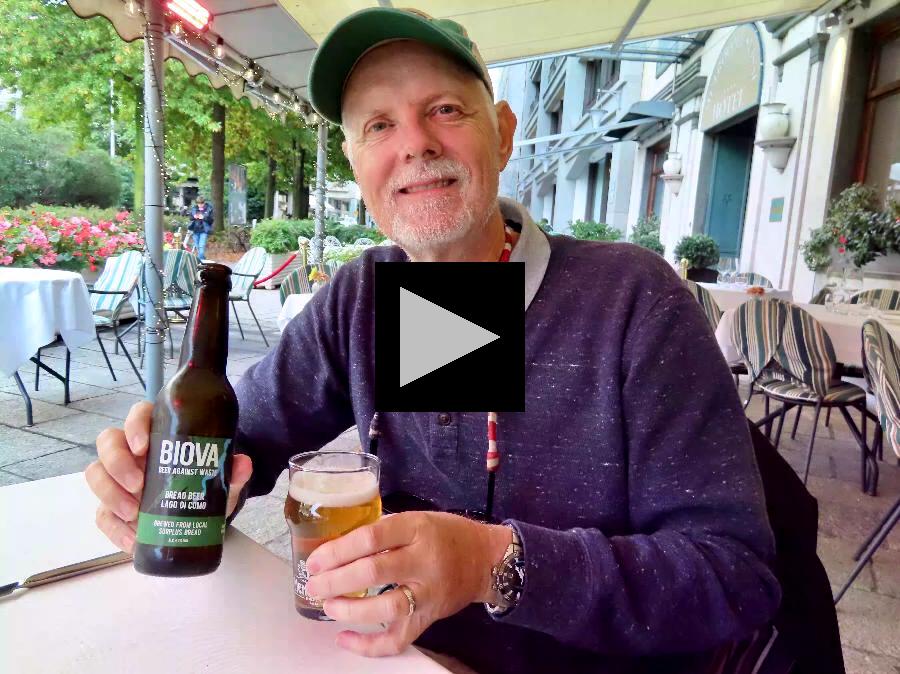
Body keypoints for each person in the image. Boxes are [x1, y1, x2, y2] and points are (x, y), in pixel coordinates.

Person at [87, 8, 780, 673]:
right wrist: (166, 475)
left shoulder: (631, 298)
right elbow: (240, 443)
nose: (414, 142)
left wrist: (490, 565)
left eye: (445, 109)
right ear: (358, 166)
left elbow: (734, 573)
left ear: (503, 133)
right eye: (379, 124)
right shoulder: (363, 297)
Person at [188, 194, 213, 260]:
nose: (200, 204)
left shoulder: (209, 208)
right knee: (197, 246)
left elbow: (211, 220)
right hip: (195, 230)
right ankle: (202, 259)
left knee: (201, 246)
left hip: (204, 230)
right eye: (198, 203)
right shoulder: (194, 208)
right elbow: (190, 218)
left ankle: (200, 261)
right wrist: (194, 217)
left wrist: (203, 217)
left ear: (204, 202)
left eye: (201, 203)